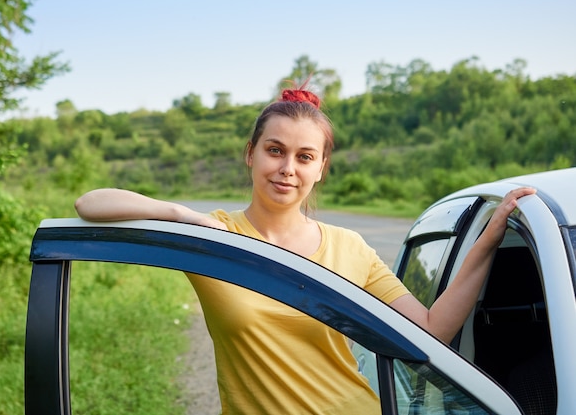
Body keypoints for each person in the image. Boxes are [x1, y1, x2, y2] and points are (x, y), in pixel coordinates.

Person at [74, 82, 536, 414]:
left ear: (321, 168)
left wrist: (490, 237)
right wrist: (184, 217)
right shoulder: (213, 237)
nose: (287, 168)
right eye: (275, 150)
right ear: (250, 153)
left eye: (304, 157)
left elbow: (433, 331)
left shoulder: (350, 247)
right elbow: (90, 204)